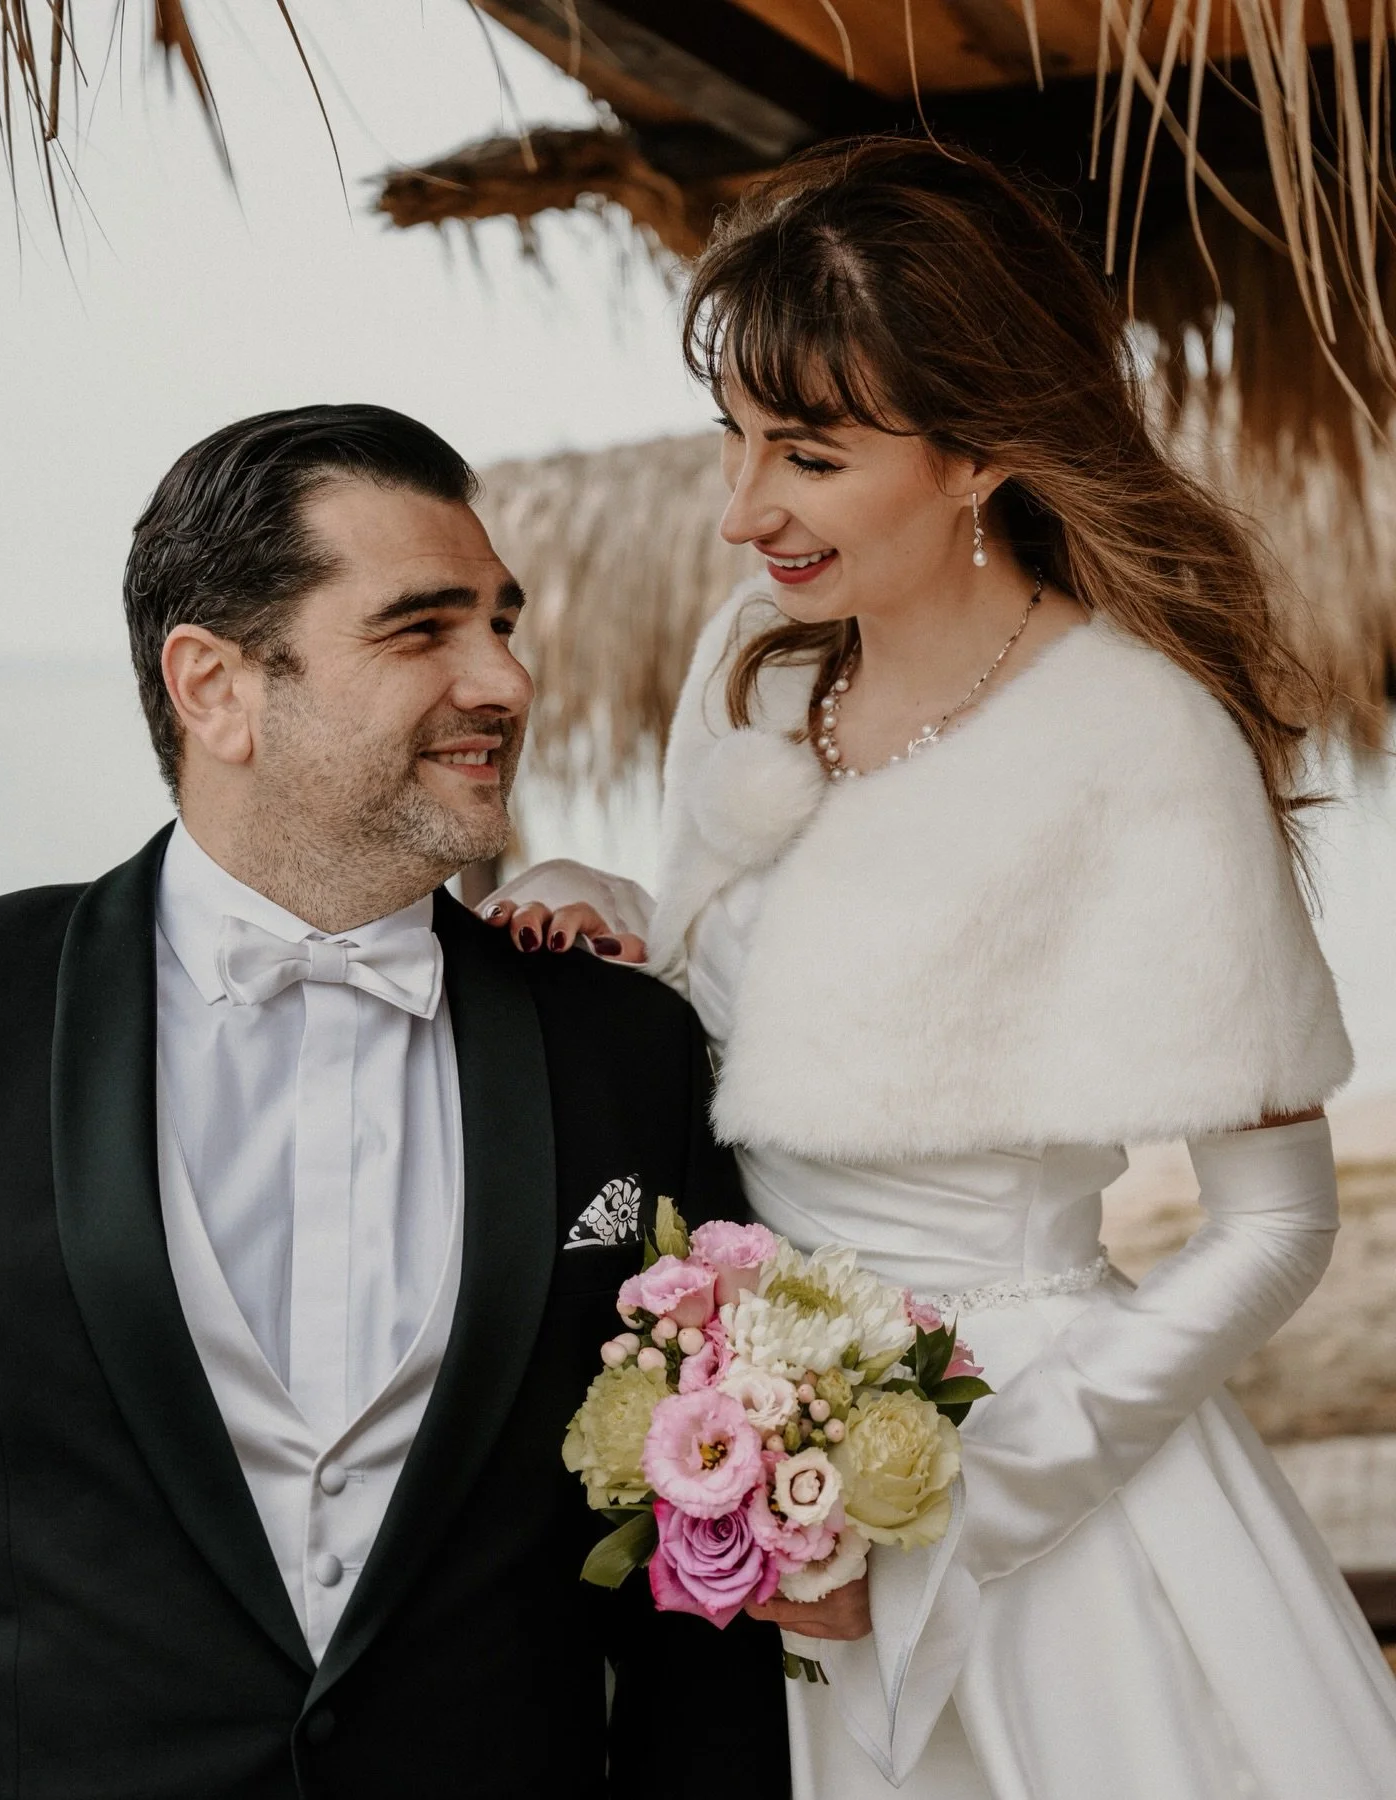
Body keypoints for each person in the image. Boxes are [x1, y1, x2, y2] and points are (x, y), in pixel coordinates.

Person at [484, 141, 1396, 1797]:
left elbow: (1276, 1225)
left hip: (1051, 1485)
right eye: (737, 442)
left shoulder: (1142, 740)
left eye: (810, 456)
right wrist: (590, 891)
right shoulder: (749, 673)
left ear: (978, 451)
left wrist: (972, 1496)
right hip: (759, 1471)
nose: (744, 509)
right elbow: (746, 1010)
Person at [0, 404, 788, 1799]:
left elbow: (693, 1611)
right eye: (424, 630)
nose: (507, 681)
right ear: (213, 686)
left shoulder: (626, 1051)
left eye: (503, 624)